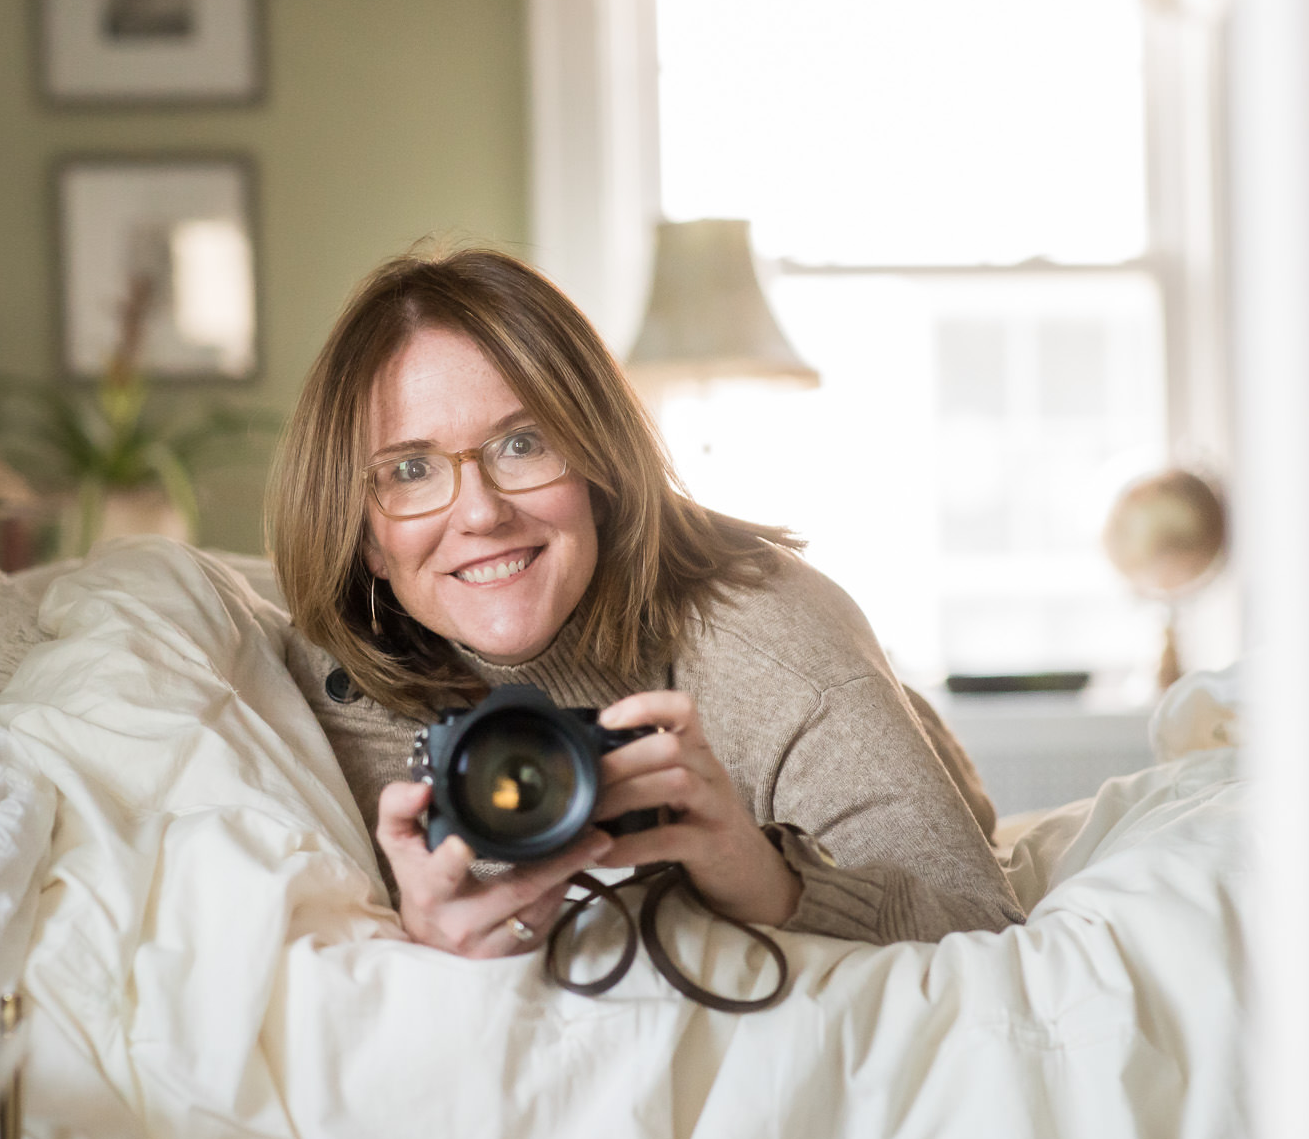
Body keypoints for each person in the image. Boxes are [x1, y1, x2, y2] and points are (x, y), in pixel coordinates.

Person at [266, 247, 1023, 960]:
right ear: (364, 533)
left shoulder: (768, 640)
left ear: (599, 465)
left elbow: (984, 932)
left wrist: (761, 874)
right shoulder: (321, 700)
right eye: (410, 469)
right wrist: (414, 948)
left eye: (524, 443)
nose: (480, 513)